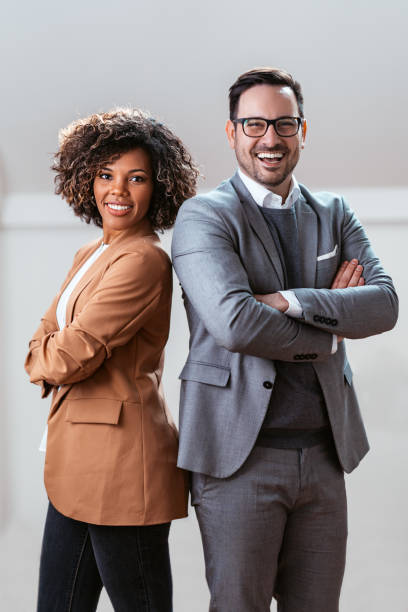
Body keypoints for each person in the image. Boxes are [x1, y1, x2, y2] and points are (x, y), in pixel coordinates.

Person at [171, 68, 398, 611]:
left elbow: (385, 304)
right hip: (238, 459)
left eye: (284, 124)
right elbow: (235, 323)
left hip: (324, 455)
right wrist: (330, 332)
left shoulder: (334, 212)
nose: (269, 139)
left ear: (302, 129)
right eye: (254, 124)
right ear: (231, 133)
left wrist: (292, 300)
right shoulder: (204, 217)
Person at [25, 107, 198, 612]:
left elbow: (67, 354)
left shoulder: (144, 260)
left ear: (158, 189)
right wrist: (48, 349)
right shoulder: (91, 253)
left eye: (136, 178)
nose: (117, 191)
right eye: (105, 175)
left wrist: (45, 353)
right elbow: (47, 333)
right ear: (86, 179)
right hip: (78, 462)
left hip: (124, 466)